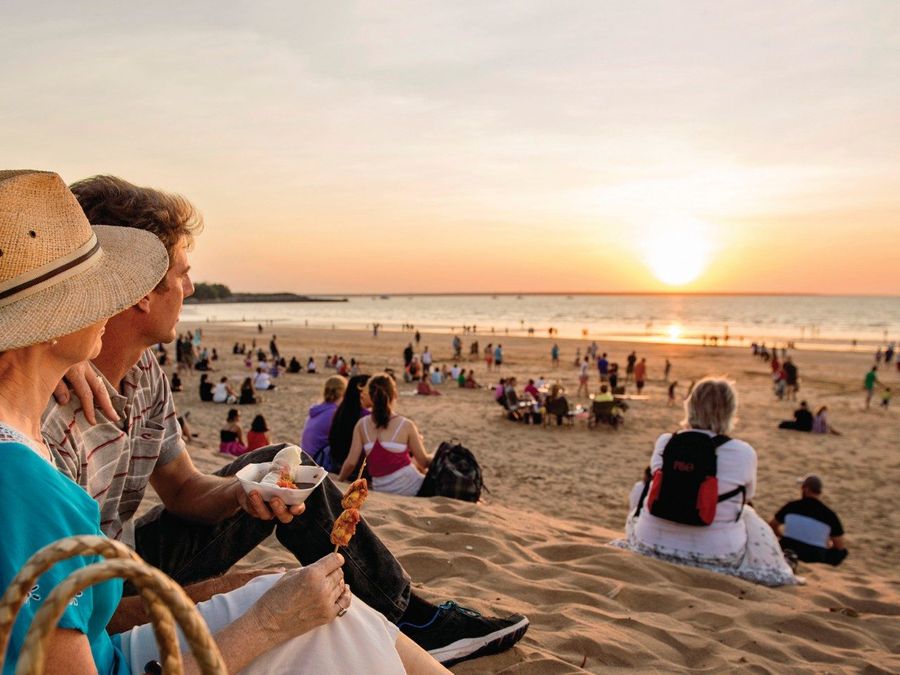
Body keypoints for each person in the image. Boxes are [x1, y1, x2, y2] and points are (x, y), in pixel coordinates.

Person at [44, 175, 528, 665]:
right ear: (142, 290)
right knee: (262, 585)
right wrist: (232, 594)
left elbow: (184, 488)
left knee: (287, 465)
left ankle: (409, 617)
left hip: (124, 558)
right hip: (92, 594)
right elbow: (75, 618)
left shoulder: (145, 371)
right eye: (183, 273)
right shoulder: (49, 416)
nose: (190, 288)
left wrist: (244, 493)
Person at [613, 377, 798, 586]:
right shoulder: (743, 452)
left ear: (690, 405)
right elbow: (748, 496)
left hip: (649, 544)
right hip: (716, 555)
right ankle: (781, 566)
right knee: (748, 514)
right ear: (730, 411)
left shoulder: (666, 442)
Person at [338, 375, 432, 496]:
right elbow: (424, 462)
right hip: (413, 488)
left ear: (370, 397)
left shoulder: (362, 425)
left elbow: (351, 462)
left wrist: (340, 480)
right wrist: (436, 456)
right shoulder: (406, 425)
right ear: (395, 395)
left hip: (381, 487)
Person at [769, 475, 848, 567]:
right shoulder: (829, 515)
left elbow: (772, 525)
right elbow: (839, 546)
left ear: (806, 490)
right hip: (815, 555)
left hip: (789, 548)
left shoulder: (791, 506)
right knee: (842, 553)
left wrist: (782, 537)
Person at [300, 375, 348, 469]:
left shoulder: (319, 408)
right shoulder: (334, 413)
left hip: (304, 455)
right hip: (316, 460)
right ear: (344, 392)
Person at [327, 374, 372, 473]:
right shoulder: (366, 417)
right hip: (354, 469)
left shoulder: (341, 411)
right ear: (362, 393)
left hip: (336, 462)